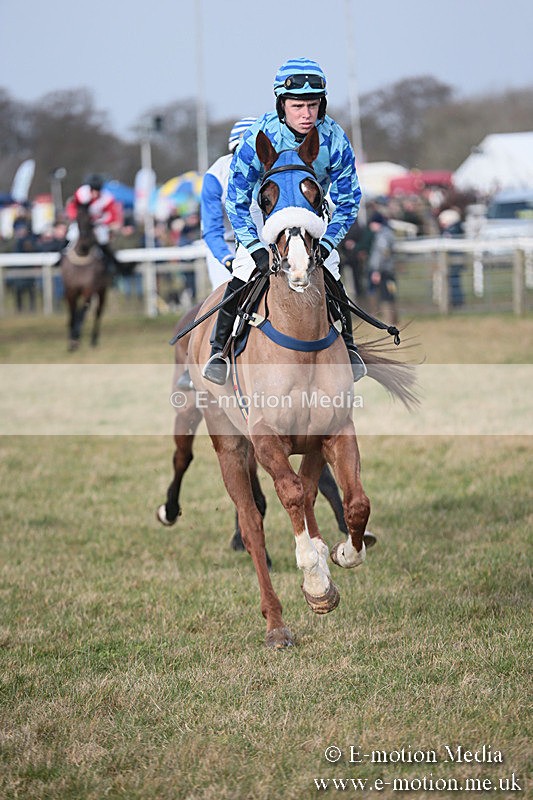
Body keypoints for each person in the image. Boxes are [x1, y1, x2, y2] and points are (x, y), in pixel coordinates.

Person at [202, 57, 367, 385]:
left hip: (314, 223)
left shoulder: (334, 138)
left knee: (332, 271)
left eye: (313, 105)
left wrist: (327, 243)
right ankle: (219, 351)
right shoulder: (257, 136)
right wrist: (255, 249)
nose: (307, 114)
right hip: (265, 220)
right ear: (282, 104)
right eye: (298, 106)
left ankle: (348, 347)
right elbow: (235, 201)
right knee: (243, 270)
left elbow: (349, 201)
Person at [176, 117, 259, 390]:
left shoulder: (272, 168)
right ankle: (215, 357)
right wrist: (227, 259)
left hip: (263, 242)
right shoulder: (215, 176)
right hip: (226, 245)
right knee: (227, 298)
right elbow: (211, 230)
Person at [65, 174, 121, 274]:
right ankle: (62, 255)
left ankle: (109, 262)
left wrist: (101, 221)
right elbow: (72, 207)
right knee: (72, 234)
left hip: (97, 224)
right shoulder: (81, 194)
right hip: (82, 223)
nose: (95, 193)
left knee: (102, 238)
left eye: (97, 190)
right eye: (93, 190)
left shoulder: (106, 199)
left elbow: (112, 215)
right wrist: (75, 217)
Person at [367, 211, 399, 326]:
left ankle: (389, 320)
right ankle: (394, 319)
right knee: (390, 293)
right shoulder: (388, 233)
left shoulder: (382, 236)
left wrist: (376, 271)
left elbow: (381, 254)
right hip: (388, 269)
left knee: (386, 295)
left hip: (384, 270)